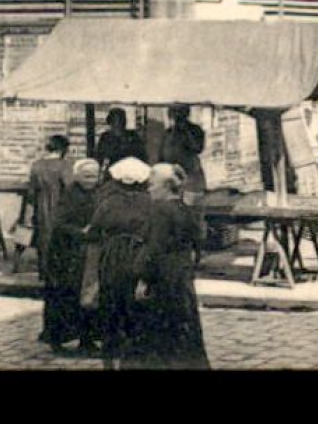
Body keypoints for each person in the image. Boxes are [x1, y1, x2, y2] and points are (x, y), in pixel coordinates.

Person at [131, 164, 209, 369]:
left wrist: (143, 279)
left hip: (162, 277)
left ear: (166, 186)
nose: (149, 189)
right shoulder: (184, 207)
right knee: (183, 327)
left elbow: (154, 248)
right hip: (181, 275)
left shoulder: (160, 210)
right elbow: (198, 238)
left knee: (160, 332)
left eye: (152, 185)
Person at [82, 157, 155, 370]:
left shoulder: (108, 203)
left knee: (111, 305)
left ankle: (109, 359)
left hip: (113, 256)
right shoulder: (150, 202)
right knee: (136, 307)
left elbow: (94, 231)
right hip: (138, 254)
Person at [39, 158, 100, 354]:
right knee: (64, 296)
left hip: (87, 254)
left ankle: (87, 339)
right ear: (77, 176)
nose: (91, 180)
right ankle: (56, 339)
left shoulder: (99, 194)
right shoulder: (70, 195)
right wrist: (80, 231)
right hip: (66, 255)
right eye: (87, 175)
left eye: (95, 176)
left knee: (87, 298)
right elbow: (60, 224)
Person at [25, 134, 73, 291]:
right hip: (60, 209)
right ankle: (58, 275)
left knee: (43, 240)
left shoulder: (36, 166)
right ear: (62, 150)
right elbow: (69, 189)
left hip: (41, 209)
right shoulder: (64, 166)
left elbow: (30, 194)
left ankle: (44, 273)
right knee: (60, 241)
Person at [159, 105, 208, 195]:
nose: (176, 117)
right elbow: (162, 155)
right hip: (172, 176)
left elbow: (198, 148)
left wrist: (186, 131)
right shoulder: (168, 133)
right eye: (174, 114)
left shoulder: (195, 130)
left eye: (179, 114)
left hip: (191, 176)